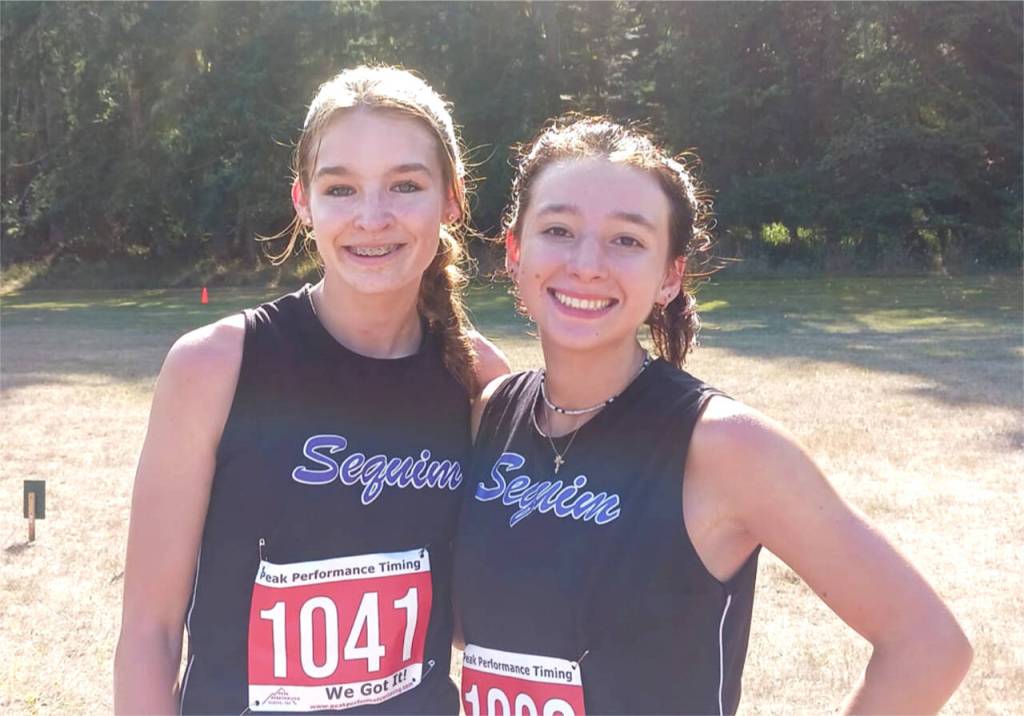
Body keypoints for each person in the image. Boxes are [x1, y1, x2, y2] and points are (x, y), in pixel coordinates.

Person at [453, 117, 972, 715]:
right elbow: (489, 637)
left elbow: (928, 645)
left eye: (627, 239)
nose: (587, 263)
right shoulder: (491, 416)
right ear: (516, 252)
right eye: (558, 229)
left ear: (669, 274)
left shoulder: (725, 445)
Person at [114, 65, 508, 715]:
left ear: (452, 200)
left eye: (405, 185)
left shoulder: (482, 385)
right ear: (303, 201)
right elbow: (148, 635)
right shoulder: (214, 368)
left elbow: (480, 620)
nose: (372, 217)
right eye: (341, 188)